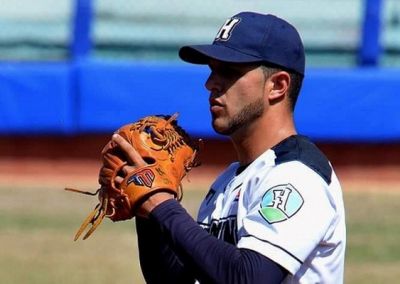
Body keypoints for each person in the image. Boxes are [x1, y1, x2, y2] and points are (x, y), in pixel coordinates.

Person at [111, 11, 346, 284]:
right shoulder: (229, 180)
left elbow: (249, 279)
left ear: (278, 85)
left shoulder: (297, 176)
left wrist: (161, 204)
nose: (210, 83)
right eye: (212, 70)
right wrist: (148, 212)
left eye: (229, 71)